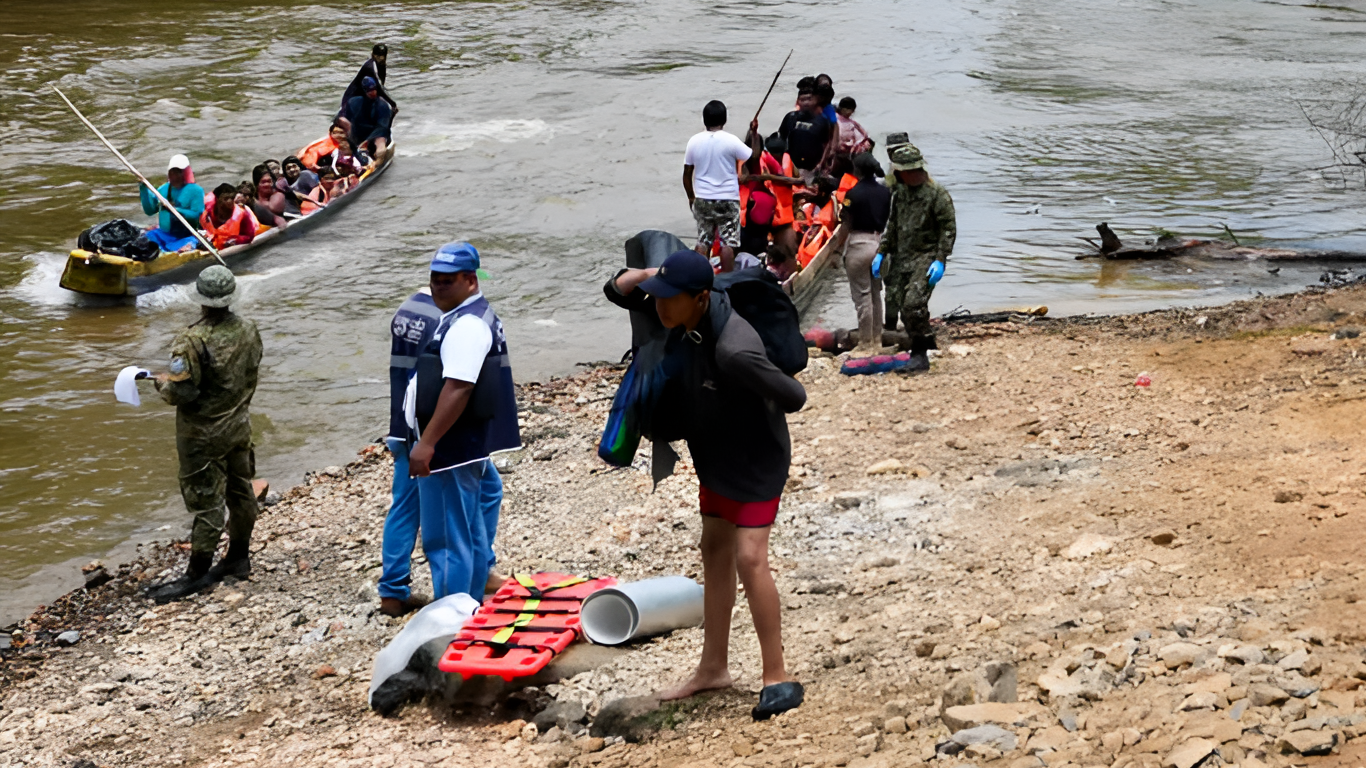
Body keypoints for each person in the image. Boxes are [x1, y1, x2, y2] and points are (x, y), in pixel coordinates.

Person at [604, 250, 808, 721]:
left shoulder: (734, 346)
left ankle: (775, 676)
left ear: (700, 298)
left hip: (756, 457)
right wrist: (654, 276)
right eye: (658, 299)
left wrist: (741, 388)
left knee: (750, 557)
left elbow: (794, 396)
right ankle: (713, 667)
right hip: (712, 452)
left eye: (670, 300)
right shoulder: (674, 310)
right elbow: (617, 289)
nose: (659, 308)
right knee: (714, 548)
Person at [405, 243, 520, 600]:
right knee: (470, 520)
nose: (438, 287)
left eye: (447, 281)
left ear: (470, 280)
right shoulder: (469, 315)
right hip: (466, 442)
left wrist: (427, 443)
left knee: (446, 539)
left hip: (451, 445)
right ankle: (472, 594)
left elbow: (458, 387)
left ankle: (452, 616)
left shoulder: (468, 325)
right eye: (434, 280)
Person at [145, 266, 263, 602]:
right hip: (238, 425)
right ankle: (238, 557)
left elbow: (182, 393)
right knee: (241, 492)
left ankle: (196, 573)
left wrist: (160, 382)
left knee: (207, 502)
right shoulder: (249, 330)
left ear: (201, 301)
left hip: (202, 434)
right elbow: (250, 372)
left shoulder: (191, 340)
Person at [378, 286, 442, 617]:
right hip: (427, 428)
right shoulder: (444, 318)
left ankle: (392, 591)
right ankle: (465, 583)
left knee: (403, 506)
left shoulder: (406, 312)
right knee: (477, 496)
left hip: (399, 423)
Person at [879, 144, 956, 368]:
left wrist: (940, 259)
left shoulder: (937, 195)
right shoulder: (900, 194)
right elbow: (892, 225)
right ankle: (926, 341)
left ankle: (919, 355)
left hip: (926, 256)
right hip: (902, 257)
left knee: (913, 304)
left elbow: (948, 229)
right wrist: (882, 252)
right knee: (901, 306)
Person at [683, 100, 761, 272]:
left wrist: (691, 197)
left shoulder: (693, 142)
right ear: (724, 120)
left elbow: (687, 174)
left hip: (703, 198)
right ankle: (726, 282)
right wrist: (754, 134)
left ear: (704, 120)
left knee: (703, 241)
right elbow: (754, 156)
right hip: (728, 198)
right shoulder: (731, 141)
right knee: (728, 243)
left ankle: (700, 279)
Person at [839, 153, 892, 351]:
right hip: (879, 243)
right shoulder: (885, 192)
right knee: (876, 294)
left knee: (862, 296)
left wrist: (836, 251)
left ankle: (865, 342)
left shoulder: (853, 194)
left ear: (857, 170)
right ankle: (877, 340)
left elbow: (846, 225)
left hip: (858, 244)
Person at [140, 153, 205, 253]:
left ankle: (175, 253)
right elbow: (150, 211)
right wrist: (143, 189)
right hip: (164, 234)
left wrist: (175, 210)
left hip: (185, 237)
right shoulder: (163, 190)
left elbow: (196, 214)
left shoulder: (196, 191)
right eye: (172, 172)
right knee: (147, 237)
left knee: (192, 242)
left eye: (178, 172)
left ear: (185, 173)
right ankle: (157, 251)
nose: (174, 176)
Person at [778, 90, 832, 184]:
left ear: (815, 101)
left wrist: (821, 164)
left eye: (809, 99)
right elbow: (782, 139)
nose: (806, 103)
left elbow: (826, 143)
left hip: (813, 167)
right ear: (798, 102)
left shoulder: (822, 121)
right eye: (803, 100)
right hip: (792, 166)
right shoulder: (790, 117)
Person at [341, 43, 398, 116]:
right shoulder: (371, 67)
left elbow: (382, 84)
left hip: (366, 96)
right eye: (378, 56)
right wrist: (392, 103)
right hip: (352, 98)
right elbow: (379, 88)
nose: (381, 58)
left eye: (383, 56)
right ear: (373, 55)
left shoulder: (381, 65)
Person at [342, 76, 392, 158]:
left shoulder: (382, 105)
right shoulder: (353, 102)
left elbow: (382, 127)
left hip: (377, 132)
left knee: (380, 146)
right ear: (365, 91)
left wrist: (368, 140)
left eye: (374, 89)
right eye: (370, 91)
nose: (373, 92)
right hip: (358, 133)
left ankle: (376, 162)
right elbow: (347, 118)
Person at [200, 183, 257, 249]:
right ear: (217, 199)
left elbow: (250, 236)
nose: (230, 201)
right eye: (226, 198)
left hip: (230, 241)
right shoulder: (205, 209)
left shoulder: (243, 213)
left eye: (232, 198)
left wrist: (235, 240)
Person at [834, 97, 873, 169]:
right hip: (840, 155)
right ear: (843, 109)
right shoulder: (838, 121)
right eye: (851, 110)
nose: (851, 113)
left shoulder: (852, 123)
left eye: (853, 111)